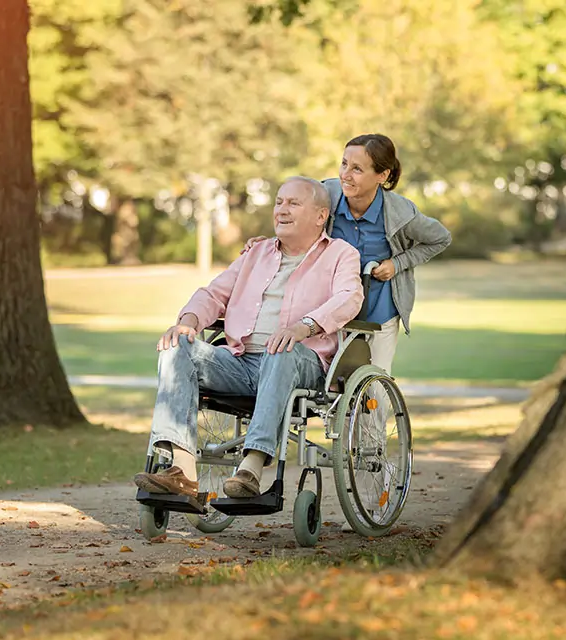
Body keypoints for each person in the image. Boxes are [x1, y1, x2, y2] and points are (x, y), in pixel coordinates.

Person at [133, 176, 364, 500]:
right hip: (241, 362)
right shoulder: (256, 253)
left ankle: (251, 467)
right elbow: (213, 294)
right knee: (176, 348)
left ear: (320, 215)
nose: (281, 210)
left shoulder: (341, 254)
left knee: (281, 348)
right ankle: (182, 470)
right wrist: (188, 322)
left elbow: (349, 298)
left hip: (302, 362)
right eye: (279, 202)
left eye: (293, 203)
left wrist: (303, 327)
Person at [244, 134, 452, 376]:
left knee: (374, 387)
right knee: (325, 386)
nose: (346, 174)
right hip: (327, 305)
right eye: (344, 164)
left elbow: (440, 238)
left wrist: (398, 263)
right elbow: (296, 223)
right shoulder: (326, 193)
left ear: (382, 176)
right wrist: (268, 244)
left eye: (357, 169)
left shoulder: (401, 212)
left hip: (377, 311)